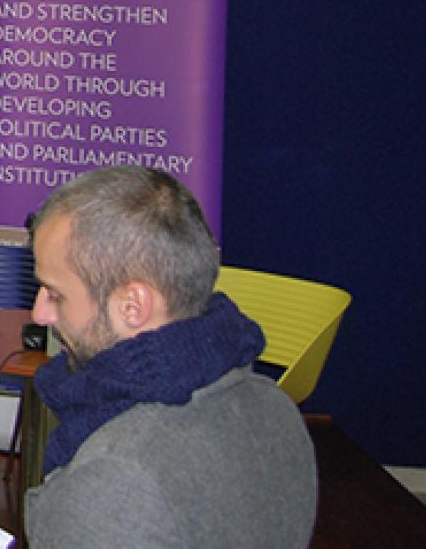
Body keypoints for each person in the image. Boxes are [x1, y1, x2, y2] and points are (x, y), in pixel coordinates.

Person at [24, 165, 317, 548]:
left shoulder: (111, 481)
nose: (39, 313)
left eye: (55, 294)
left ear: (133, 305)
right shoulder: (276, 407)